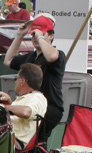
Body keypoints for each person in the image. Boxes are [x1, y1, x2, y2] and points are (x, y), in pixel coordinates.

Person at [6, 13, 65, 143]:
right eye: (33, 35)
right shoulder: (30, 57)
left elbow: (51, 57)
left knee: (37, 150)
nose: (35, 38)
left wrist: (40, 38)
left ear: (51, 35)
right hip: (31, 107)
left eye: (40, 34)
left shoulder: (57, 55)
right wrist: (20, 35)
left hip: (50, 108)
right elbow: (8, 60)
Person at [0, 63, 47, 148]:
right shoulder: (28, 97)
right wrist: (9, 102)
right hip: (5, 135)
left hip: (12, 140)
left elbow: (26, 112)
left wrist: (0, 108)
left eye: (16, 78)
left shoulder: (37, 97)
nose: (15, 81)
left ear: (22, 81)